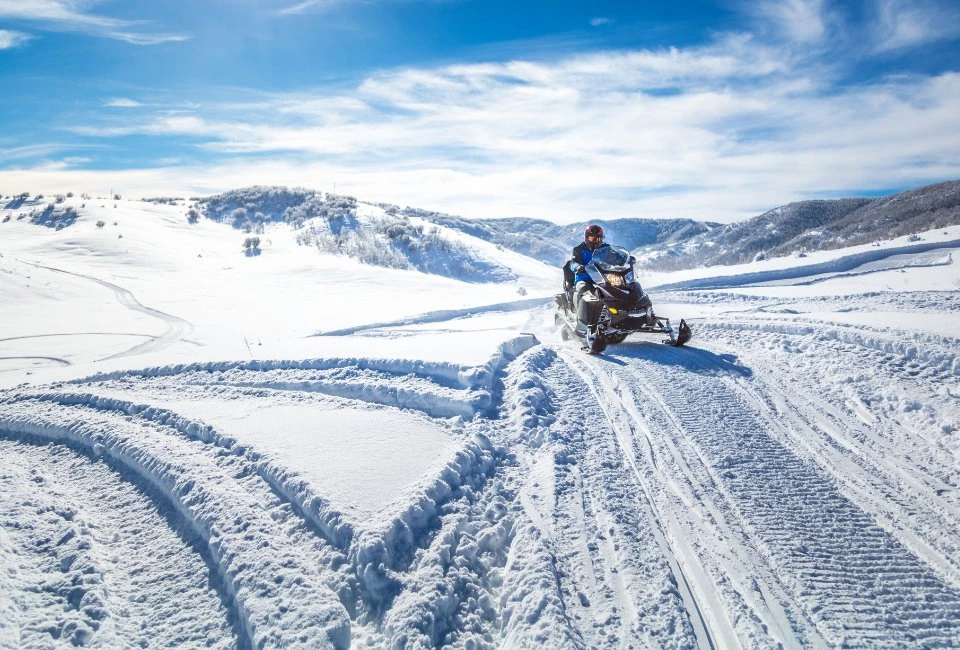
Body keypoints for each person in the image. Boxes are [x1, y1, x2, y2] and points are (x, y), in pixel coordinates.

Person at [568, 224, 609, 315]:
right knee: (585, 295)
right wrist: (577, 267)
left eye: (598, 238)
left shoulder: (606, 248)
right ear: (586, 238)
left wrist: (626, 259)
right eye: (592, 238)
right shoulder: (579, 249)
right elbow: (572, 263)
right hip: (585, 279)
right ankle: (581, 321)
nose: (595, 241)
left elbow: (616, 256)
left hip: (603, 279)